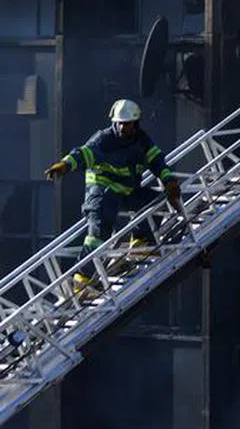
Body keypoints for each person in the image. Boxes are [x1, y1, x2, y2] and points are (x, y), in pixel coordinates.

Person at [43, 99, 181, 294]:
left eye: (127, 124)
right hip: (102, 194)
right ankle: (82, 279)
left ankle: (141, 242)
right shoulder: (104, 140)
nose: (123, 127)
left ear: (136, 123)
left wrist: (169, 181)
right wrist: (65, 165)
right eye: (120, 123)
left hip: (126, 192)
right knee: (98, 235)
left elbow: (157, 162)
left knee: (154, 202)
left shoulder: (142, 141)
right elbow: (83, 154)